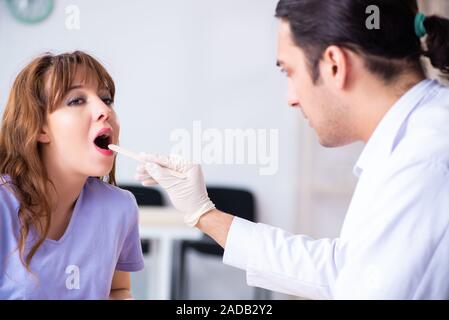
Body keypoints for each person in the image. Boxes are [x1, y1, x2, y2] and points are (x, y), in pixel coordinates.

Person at [135, 0, 449, 299]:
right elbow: (342, 269)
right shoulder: (414, 138)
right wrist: (203, 213)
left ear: (334, 65)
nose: (291, 98)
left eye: (289, 71)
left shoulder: (424, 161)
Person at [0, 51, 144, 299]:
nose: (103, 110)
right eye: (76, 100)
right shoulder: (3, 206)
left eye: (106, 99)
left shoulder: (119, 207)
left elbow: (118, 290)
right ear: (39, 128)